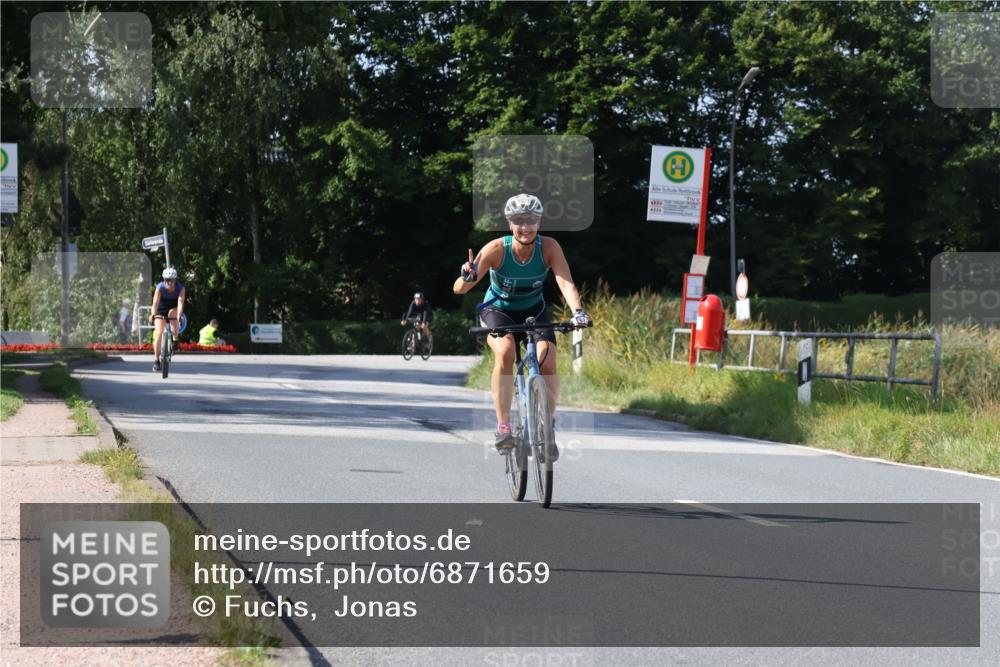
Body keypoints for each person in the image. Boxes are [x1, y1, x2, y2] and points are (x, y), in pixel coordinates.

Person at [452, 193, 591, 457]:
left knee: (547, 362)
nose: (525, 227)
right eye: (519, 221)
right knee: (505, 354)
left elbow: (566, 282)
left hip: (533, 312)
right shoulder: (496, 249)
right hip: (497, 311)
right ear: (509, 223)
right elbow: (459, 289)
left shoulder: (549, 247)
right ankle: (504, 428)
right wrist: (466, 277)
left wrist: (578, 312)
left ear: (539, 222)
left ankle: (547, 427)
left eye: (531, 221)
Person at [149, 267, 186, 371]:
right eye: (167, 280)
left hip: (174, 308)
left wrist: (179, 315)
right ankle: (156, 361)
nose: (169, 283)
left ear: (175, 280)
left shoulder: (180, 288)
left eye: (172, 280)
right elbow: (155, 303)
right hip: (161, 309)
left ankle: (175, 339)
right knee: (159, 333)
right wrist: (153, 314)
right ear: (164, 280)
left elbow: (180, 302)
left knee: (172, 313)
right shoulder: (160, 287)